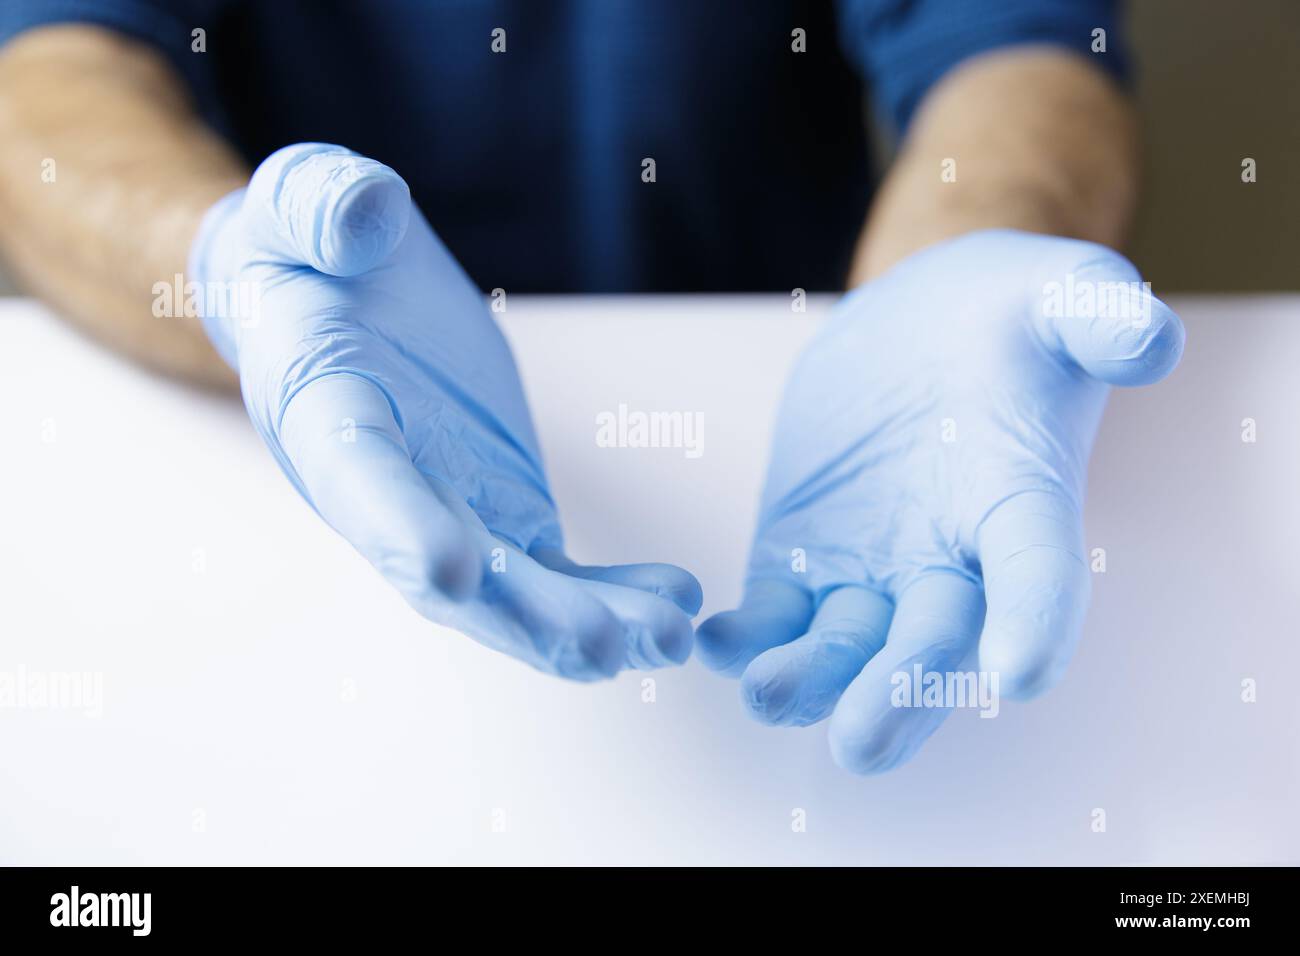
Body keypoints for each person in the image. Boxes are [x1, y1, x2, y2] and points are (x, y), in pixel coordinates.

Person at [0, 1, 1183, 773]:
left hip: (767, 426)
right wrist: (228, 267)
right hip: (276, 513)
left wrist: (951, 265)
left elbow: (1012, 48)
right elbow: (53, 66)